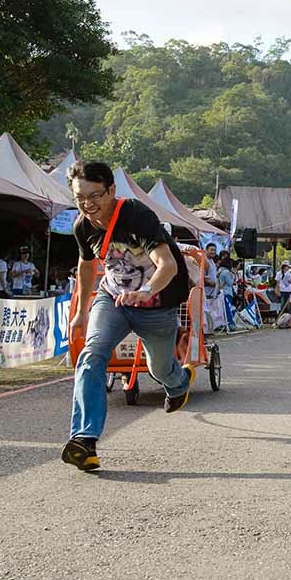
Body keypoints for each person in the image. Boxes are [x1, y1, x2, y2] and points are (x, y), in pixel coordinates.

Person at [61, 161, 195, 472]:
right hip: (114, 300)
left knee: (159, 368)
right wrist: (81, 311)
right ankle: (85, 441)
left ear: (111, 190)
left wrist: (146, 291)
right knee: (92, 354)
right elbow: (85, 266)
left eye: (94, 196)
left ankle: (178, 383)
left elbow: (168, 265)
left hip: (156, 304)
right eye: (80, 197)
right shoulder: (82, 225)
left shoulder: (136, 214)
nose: (87, 205)